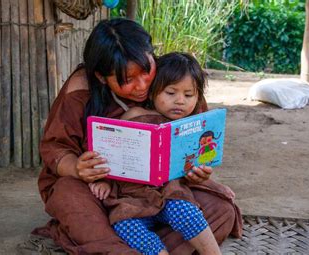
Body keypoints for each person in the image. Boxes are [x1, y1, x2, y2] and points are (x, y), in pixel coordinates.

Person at [34, 18, 242, 254]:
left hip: (166, 189)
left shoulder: (173, 79)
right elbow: (55, 147)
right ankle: (122, 245)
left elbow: (197, 135)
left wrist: (196, 171)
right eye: (127, 80)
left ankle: (127, 246)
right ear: (102, 77)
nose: (142, 85)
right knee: (70, 198)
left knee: (221, 210)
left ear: (152, 55)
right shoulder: (81, 88)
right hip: (102, 191)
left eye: (146, 71)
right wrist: (78, 168)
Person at [88, 52, 221, 255]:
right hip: (132, 198)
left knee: (186, 211)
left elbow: (202, 159)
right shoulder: (134, 116)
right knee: (123, 224)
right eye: (170, 93)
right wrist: (105, 180)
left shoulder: (194, 127)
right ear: (153, 92)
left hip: (171, 194)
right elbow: (112, 152)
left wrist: (201, 172)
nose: (179, 101)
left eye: (188, 95)